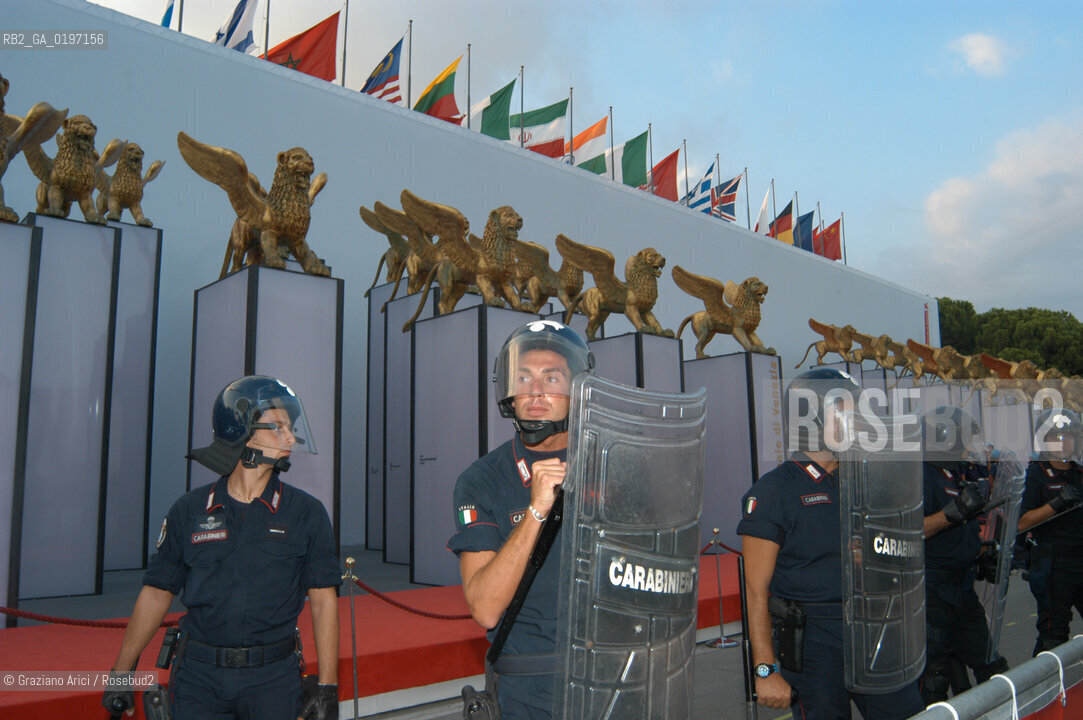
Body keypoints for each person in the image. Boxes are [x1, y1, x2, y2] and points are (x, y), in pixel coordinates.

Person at [102, 376, 341, 720]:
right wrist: (122, 672)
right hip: (199, 679)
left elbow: (322, 601)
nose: (291, 438)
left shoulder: (307, 513)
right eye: (278, 427)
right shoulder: (189, 510)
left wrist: (328, 688)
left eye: (291, 428)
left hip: (273, 679)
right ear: (239, 431)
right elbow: (156, 593)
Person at [737, 368, 924, 720]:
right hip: (814, 645)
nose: (856, 423)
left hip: (872, 632)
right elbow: (754, 591)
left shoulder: (861, 483)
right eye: (846, 412)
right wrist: (765, 671)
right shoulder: (774, 492)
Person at [447, 320, 594, 718]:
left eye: (552, 377)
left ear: (578, 390)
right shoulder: (482, 480)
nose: (536, 391)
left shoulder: (611, 464)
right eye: (523, 377)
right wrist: (535, 512)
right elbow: (485, 608)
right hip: (529, 687)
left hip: (611, 676)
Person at [920, 405, 1008, 703]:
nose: (970, 447)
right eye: (965, 439)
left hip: (962, 589)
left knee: (991, 669)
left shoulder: (954, 476)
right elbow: (907, 530)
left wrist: (980, 555)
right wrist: (953, 512)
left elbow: (961, 532)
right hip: (932, 592)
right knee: (935, 679)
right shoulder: (921, 475)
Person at [1017, 407, 1083, 654]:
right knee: (1053, 635)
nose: (1063, 442)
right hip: (1053, 565)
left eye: (1068, 436)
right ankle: (1047, 691)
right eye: (1056, 437)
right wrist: (1055, 505)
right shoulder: (1036, 474)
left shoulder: (1079, 473)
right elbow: (1021, 523)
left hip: (1079, 560)